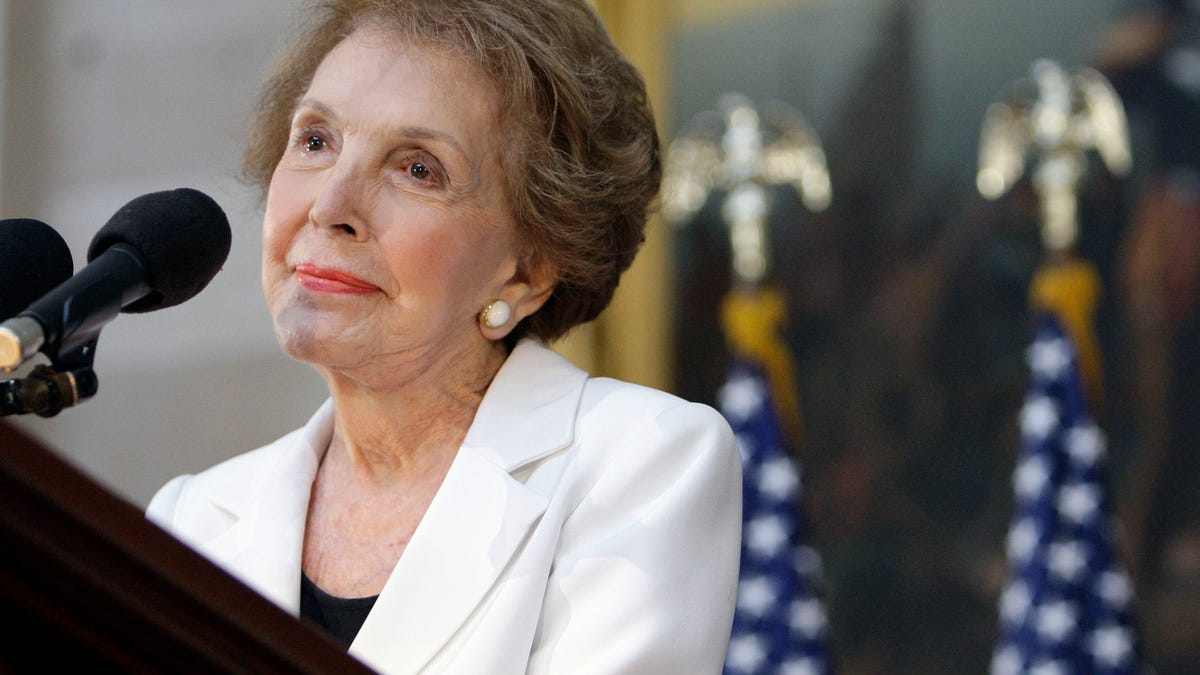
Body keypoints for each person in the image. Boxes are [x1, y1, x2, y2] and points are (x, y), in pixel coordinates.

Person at [145, 1, 742, 672]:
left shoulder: (643, 463)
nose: (331, 205)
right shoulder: (191, 520)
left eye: (418, 168)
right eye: (316, 140)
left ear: (528, 269)